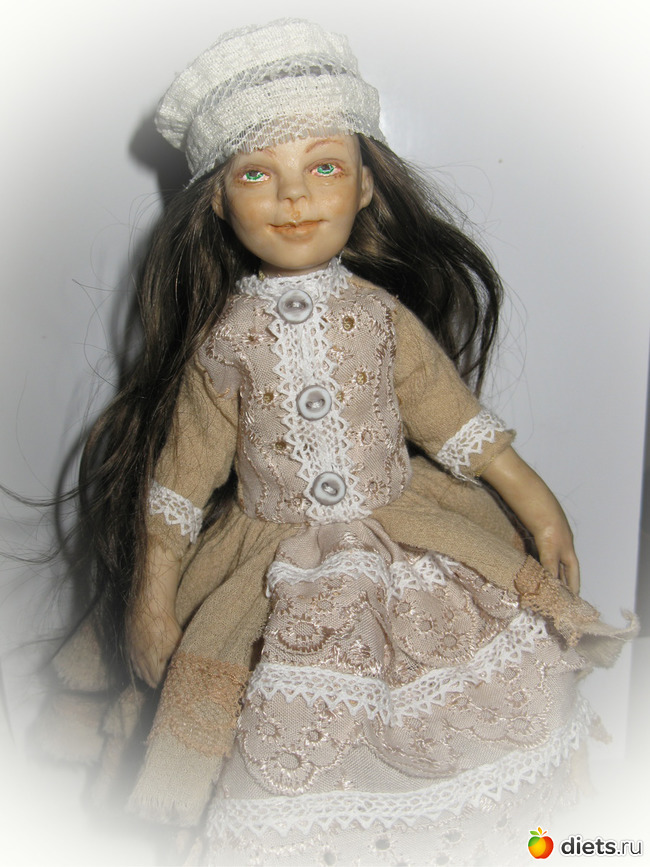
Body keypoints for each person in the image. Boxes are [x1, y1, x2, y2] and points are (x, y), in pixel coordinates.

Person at [44, 18, 635, 866]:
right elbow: (181, 479)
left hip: (408, 540)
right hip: (268, 567)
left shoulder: (380, 319)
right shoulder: (224, 342)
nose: (294, 197)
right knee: (267, 741)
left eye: (324, 166)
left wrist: (541, 510)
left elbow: (457, 424)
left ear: (365, 188)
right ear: (218, 202)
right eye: (257, 173)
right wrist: (153, 595)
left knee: (486, 700)